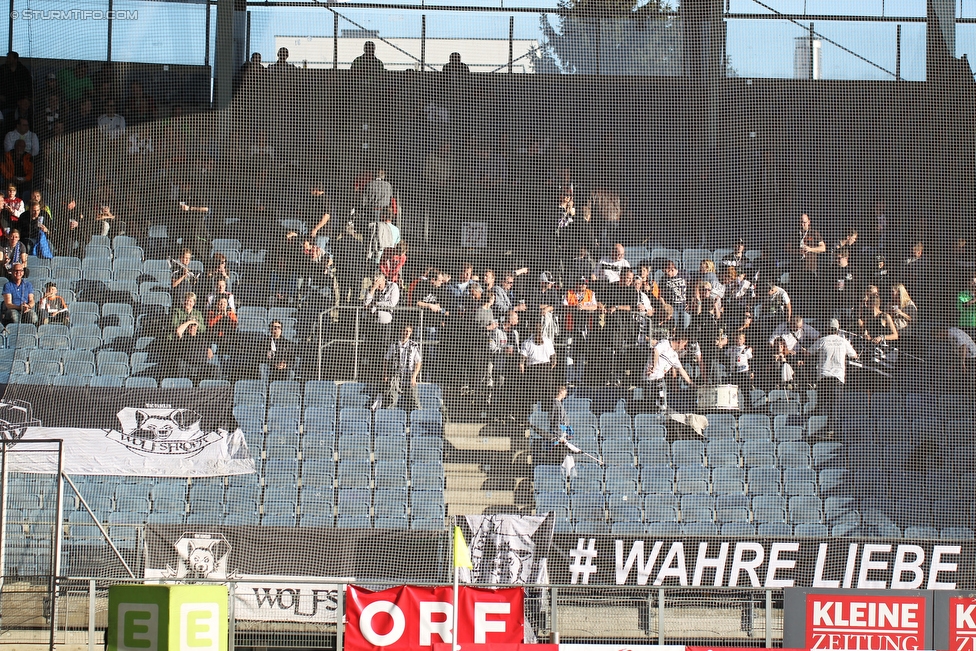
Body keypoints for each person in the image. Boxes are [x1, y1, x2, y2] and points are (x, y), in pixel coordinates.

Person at [808, 319, 859, 438]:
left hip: (823, 376)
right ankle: (830, 430)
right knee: (835, 405)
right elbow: (854, 355)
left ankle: (817, 428)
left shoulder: (823, 340)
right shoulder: (843, 341)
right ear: (837, 329)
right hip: (837, 377)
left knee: (822, 404)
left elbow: (809, 352)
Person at [644, 333, 696, 411]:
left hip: (660, 381)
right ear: (680, 341)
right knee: (654, 404)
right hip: (651, 379)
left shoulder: (674, 355)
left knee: (662, 404)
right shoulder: (665, 343)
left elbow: (681, 369)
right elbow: (656, 350)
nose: (683, 349)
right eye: (684, 346)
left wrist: (691, 383)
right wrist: (654, 367)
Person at [379, 324, 422, 411]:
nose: (407, 333)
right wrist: (385, 374)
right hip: (396, 374)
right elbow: (386, 360)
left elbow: (418, 362)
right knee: (392, 397)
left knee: (414, 398)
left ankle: (415, 416)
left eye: (409, 331)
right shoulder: (394, 344)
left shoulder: (414, 345)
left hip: (409, 373)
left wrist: (414, 377)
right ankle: (390, 416)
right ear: (401, 331)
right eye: (405, 331)